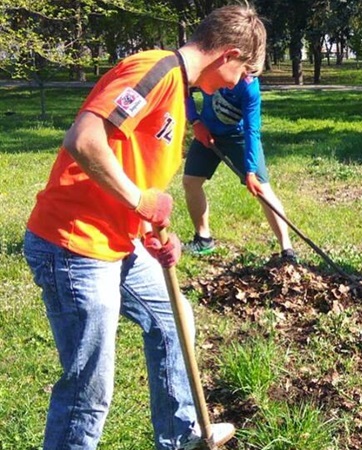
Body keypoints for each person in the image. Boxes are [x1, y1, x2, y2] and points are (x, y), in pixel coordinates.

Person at [22, 5, 266, 449]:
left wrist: (155, 231)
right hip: (74, 244)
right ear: (228, 54)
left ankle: (180, 435)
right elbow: (84, 139)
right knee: (88, 391)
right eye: (246, 71)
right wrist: (140, 201)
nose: (243, 82)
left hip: (116, 240)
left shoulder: (179, 92)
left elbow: (133, 171)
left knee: (174, 320)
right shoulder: (154, 70)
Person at [182, 76, 295, 262]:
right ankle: (203, 239)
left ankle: (287, 250)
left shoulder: (249, 86)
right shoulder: (209, 69)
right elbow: (183, 87)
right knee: (191, 181)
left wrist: (250, 172)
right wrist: (195, 121)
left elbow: (252, 130)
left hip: (239, 137)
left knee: (263, 190)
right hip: (207, 131)